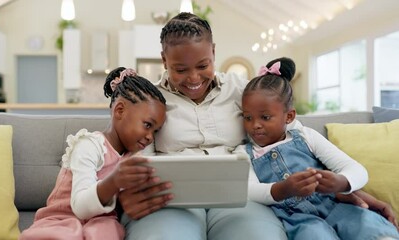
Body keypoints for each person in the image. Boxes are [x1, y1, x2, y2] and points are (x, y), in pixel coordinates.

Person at [118, 12, 398, 240]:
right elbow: (137, 153)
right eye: (180, 69)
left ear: (214, 52)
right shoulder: (149, 99)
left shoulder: (243, 89)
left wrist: (345, 186)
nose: (193, 78)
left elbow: (292, 135)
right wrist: (128, 195)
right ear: (164, 59)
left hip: (244, 196)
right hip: (172, 198)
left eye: (203, 65)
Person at [238, 57, 399, 240]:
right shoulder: (244, 153)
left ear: (289, 116)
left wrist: (341, 182)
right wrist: (283, 189)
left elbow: (357, 170)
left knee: (369, 228)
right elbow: (249, 190)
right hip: (299, 219)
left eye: (265, 117)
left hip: (336, 205)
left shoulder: (307, 136)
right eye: (248, 117)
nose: (255, 125)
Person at [19, 67, 167, 240]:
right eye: (148, 125)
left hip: (101, 223)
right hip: (63, 221)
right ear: (119, 111)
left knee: (107, 230)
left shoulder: (132, 156)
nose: (150, 137)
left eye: (156, 131)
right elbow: (80, 206)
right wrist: (114, 181)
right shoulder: (89, 146)